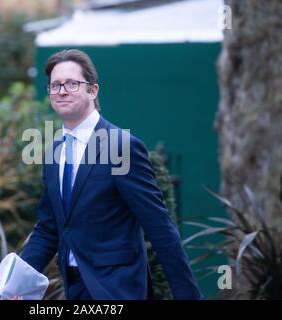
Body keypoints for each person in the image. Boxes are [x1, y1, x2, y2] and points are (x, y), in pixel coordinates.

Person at [17, 49, 201, 300]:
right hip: (74, 289)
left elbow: (159, 227)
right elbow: (49, 229)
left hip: (117, 289)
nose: (62, 91)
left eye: (72, 84)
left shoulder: (121, 147)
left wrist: (188, 296)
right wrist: (17, 284)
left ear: (93, 91)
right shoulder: (53, 152)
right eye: (55, 85)